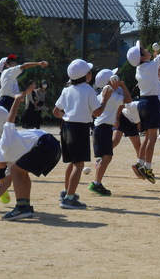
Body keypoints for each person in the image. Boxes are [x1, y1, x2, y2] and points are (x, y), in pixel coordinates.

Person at [0, 87, 62, 220]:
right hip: (52, 147)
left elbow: (10, 121)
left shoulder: (5, 145)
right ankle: (25, 206)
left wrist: (17, 100)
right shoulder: (10, 162)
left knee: (18, 171)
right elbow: (5, 183)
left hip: (47, 144)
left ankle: (21, 208)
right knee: (20, 172)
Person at [125, 26, 160, 183]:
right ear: (143, 57)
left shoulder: (140, 69)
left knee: (148, 137)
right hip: (152, 102)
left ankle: (140, 163)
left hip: (142, 102)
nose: (146, 49)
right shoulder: (152, 65)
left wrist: (154, 59)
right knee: (152, 138)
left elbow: (154, 62)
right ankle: (148, 168)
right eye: (143, 50)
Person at [53, 59, 108, 209]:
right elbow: (97, 112)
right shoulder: (89, 90)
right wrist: (105, 99)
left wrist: (67, 116)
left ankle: (66, 192)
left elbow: (56, 111)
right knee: (79, 164)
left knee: (72, 162)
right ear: (87, 75)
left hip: (66, 127)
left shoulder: (67, 89)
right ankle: (69, 198)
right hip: (80, 129)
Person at [90, 69, 131, 196]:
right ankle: (96, 183)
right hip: (103, 129)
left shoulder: (101, 95)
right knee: (107, 157)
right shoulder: (112, 96)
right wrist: (123, 86)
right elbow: (129, 100)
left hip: (101, 128)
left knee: (105, 157)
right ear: (110, 81)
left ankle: (97, 183)